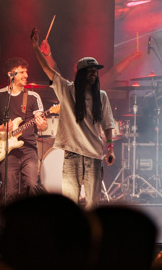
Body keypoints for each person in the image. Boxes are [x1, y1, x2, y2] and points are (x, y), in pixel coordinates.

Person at [30, 27, 116, 209]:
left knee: (93, 204)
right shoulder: (67, 90)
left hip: (94, 156)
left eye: (95, 71)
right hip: (72, 155)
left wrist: (110, 149)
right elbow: (47, 69)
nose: (94, 74)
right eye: (90, 71)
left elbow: (108, 124)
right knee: (70, 205)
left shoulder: (102, 96)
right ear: (81, 73)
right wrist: (36, 47)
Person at [0, 56, 47, 200]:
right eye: (22, 72)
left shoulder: (33, 96)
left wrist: (41, 124)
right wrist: (1, 128)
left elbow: (43, 124)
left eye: (26, 72)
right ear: (11, 74)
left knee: (32, 185)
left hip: (29, 149)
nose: (26, 75)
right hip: (7, 151)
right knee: (10, 192)